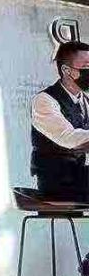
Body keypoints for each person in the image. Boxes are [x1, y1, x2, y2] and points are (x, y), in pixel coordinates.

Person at [30, 41, 89, 202]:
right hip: (55, 182)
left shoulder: (85, 100)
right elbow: (67, 137)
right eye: (86, 66)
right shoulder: (44, 100)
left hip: (79, 175)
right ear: (66, 70)